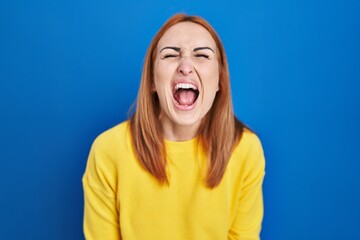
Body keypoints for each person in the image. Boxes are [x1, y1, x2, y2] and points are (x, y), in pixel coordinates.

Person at [82, 13, 265, 240]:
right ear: (151, 80)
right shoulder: (108, 151)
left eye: (201, 55)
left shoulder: (245, 149)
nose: (185, 66)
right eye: (170, 54)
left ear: (219, 80)